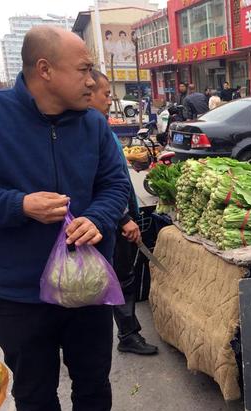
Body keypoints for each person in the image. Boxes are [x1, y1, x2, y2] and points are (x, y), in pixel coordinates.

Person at [0, 26, 130, 411]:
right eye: (84, 69)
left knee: (92, 377)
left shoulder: (93, 125)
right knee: (34, 388)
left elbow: (116, 184)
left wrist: (100, 218)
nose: (93, 81)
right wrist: (18, 205)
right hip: (18, 289)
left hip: (87, 284)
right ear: (44, 70)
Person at [88, 69, 159, 356]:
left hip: (121, 213)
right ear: (88, 91)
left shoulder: (101, 128)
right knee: (118, 278)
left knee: (123, 276)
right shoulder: (86, 133)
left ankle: (126, 333)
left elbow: (117, 175)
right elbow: (97, 185)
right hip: (110, 221)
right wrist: (123, 219)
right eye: (105, 94)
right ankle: (127, 334)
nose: (109, 100)